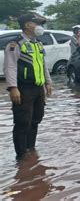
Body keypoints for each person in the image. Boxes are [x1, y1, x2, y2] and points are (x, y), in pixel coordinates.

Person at [4, 13, 53, 160]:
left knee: (36, 119)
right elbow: (9, 67)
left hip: (38, 89)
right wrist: (13, 88)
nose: (39, 26)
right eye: (36, 23)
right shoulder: (16, 44)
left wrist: (48, 82)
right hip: (23, 89)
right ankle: (22, 158)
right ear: (27, 25)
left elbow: (43, 65)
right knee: (22, 122)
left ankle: (31, 151)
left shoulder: (37, 44)